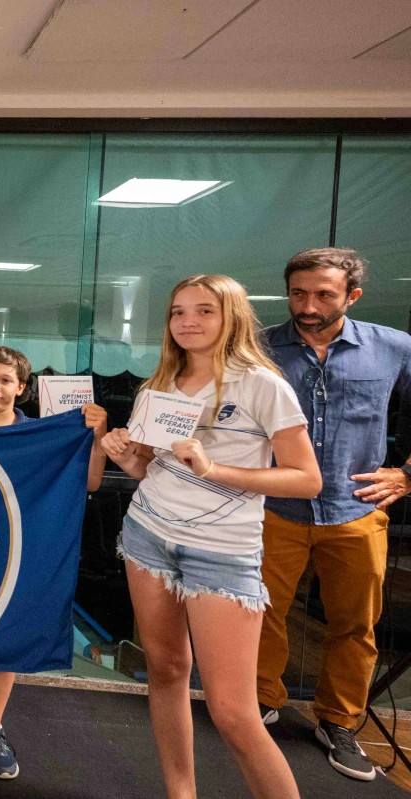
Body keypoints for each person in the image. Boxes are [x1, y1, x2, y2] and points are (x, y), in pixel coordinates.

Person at [101, 274, 320, 799]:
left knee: (233, 712)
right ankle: (181, 794)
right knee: (166, 670)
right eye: (178, 312)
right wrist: (125, 456)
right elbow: (147, 468)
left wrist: (213, 468)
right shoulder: (157, 386)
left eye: (204, 311)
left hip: (222, 552)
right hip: (148, 535)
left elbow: (306, 479)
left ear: (232, 317)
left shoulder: (263, 386)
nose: (188, 322)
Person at [256, 248, 411, 782]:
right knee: (259, 612)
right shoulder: (258, 348)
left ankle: (339, 722)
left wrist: (406, 475)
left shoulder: (393, 348)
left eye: (323, 295)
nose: (308, 306)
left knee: (355, 624)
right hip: (273, 507)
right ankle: (259, 702)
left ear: (352, 296)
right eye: (298, 293)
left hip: (355, 510)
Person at [0, 345, 109, 780]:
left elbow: (90, 481)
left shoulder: (46, 437)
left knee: (9, 628)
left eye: (6, 380)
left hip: (18, 548)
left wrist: (98, 436)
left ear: (22, 388)